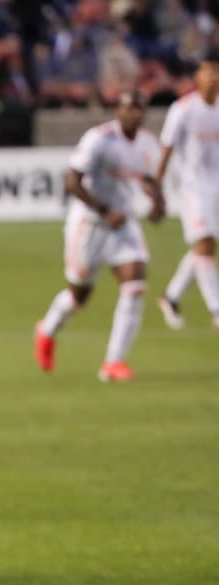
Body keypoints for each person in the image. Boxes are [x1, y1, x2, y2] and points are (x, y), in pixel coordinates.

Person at [33, 90, 164, 382]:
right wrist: (104, 211)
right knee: (78, 296)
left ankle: (113, 362)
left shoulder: (147, 143)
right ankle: (47, 330)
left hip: (123, 224)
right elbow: (72, 181)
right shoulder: (100, 140)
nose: (133, 114)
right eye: (128, 108)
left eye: (139, 109)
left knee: (135, 285)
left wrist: (157, 200)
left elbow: (145, 178)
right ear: (117, 111)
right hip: (90, 224)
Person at [155, 54, 219, 330]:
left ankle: (170, 297)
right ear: (197, 77)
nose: (213, 77)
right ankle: (216, 308)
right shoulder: (183, 109)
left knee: (205, 248)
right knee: (204, 247)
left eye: (217, 72)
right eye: (208, 72)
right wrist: (157, 185)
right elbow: (167, 146)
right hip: (193, 188)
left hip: (217, 187)